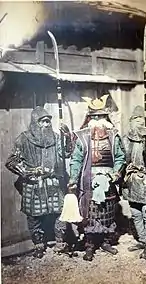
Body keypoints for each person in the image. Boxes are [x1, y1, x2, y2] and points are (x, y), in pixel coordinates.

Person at [5, 106, 72, 258]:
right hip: (33, 184)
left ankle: (60, 242)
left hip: (53, 182)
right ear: (35, 123)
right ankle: (39, 245)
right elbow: (11, 162)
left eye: (48, 121)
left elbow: (66, 153)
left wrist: (67, 137)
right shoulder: (23, 139)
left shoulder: (56, 138)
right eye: (43, 121)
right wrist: (28, 172)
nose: (47, 124)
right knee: (34, 217)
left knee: (60, 212)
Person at [68, 94, 126, 261]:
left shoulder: (114, 135)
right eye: (94, 116)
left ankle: (106, 241)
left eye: (101, 116)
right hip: (89, 183)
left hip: (109, 181)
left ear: (105, 117)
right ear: (89, 117)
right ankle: (90, 245)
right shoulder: (82, 137)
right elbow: (76, 159)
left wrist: (115, 173)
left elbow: (121, 157)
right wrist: (73, 179)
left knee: (108, 212)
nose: (98, 119)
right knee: (91, 215)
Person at [122, 106, 146, 258]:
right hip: (131, 180)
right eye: (135, 120)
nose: (138, 123)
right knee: (135, 213)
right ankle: (144, 240)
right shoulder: (126, 138)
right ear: (131, 122)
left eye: (141, 120)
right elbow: (123, 159)